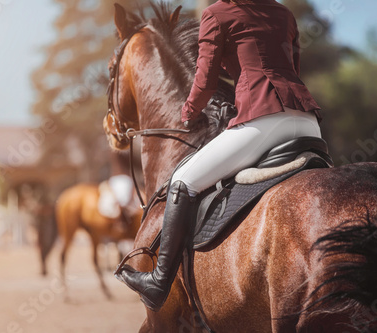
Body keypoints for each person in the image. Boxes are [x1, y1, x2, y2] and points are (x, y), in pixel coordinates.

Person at [115, 0, 322, 311]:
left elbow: (206, 79)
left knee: (183, 180)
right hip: (308, 123)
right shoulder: (284, 14)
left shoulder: (217, 13)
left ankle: (158, 281)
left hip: (263, 120)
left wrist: (188, 112)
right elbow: (290, 69)